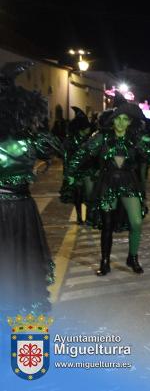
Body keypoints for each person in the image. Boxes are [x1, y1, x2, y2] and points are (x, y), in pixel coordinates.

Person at [65, 102, 150, 276]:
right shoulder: (101, 137)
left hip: (129, 183)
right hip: (107, 183)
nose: (121, 123)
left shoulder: (134, 139)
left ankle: (132, 257)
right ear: (112, 121)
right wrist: (70, 171)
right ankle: (105, 262)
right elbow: (82, 153)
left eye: (125, 120)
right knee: (107, 225)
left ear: (130, 122)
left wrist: (148, 140)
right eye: (117, 119)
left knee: (136, 222)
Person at [0, 62, 62, 313]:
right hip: (20, 208)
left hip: (21, 208)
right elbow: (57, 148)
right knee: (19, 259)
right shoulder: (31, 140)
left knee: (18, 258)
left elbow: (57, 148)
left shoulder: (30, 140)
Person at [59, 107, 96, 224]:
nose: (89, 129)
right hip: (75, 172)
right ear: (81, 128)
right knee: (78, 196)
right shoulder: (70, 141)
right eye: (87, 127)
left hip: (88, 171)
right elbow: (66, 158)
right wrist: (67, 174)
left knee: (90, 195)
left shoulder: (90, 140)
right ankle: (80, 218)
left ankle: (89, 217)